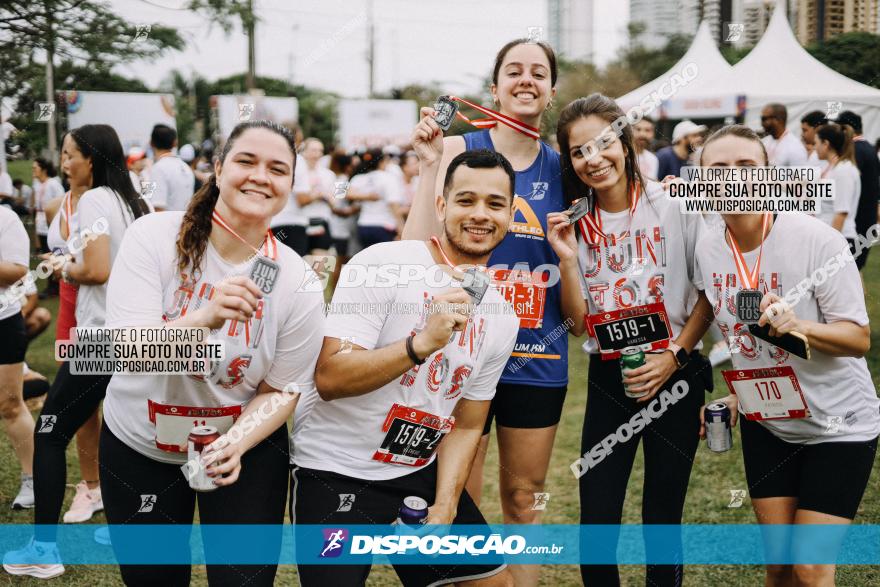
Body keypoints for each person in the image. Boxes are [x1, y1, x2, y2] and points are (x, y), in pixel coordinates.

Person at [74, 120, 323, 586]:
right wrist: (204, 316)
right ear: (218, 167)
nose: (260, 177)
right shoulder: (153, 236)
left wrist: (236, 443)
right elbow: (127, 351)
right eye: (246, 161)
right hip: (138, 444)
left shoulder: (297, 279)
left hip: (242, 450)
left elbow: (283, 388)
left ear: (290, 183)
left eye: (277, 169)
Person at [291, 149, 520, 586]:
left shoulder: (502, 316)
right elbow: (330, 377)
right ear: (441, 206)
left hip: (416, 472)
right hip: (336, 469)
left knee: (493, 583)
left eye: (494, 204)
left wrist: (448, 502)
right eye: (465, 200)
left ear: (510, 214)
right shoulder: (381, 266)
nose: (480, 214)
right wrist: (419, 345)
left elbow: (469, 423)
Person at [404, 38, 572, 586]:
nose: (527, 80)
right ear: (493, 88)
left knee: (524, 498)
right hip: (461, 355)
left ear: (551, 90)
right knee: (459, 499)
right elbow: (413, 250)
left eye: (539, 72)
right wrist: (430, 165)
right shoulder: (456, 149)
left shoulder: (565, 167)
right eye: (514, 71)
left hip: (537, 358)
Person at [695, 124, 878, 587]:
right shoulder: (709, 245)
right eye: (717, 168)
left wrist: (800, 325)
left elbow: (858, 339)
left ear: (768, 174)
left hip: (839, 423)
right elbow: (737, 331)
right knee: (778, 567)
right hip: (771, 424)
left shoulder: (818, 240)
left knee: (811, 569)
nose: (731, 178)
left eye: (745, 167)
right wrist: (742, 393)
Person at [550, 94, 713, 587]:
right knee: (597, 516)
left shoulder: (676, 204)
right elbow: (578, 323)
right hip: (610, 376)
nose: (593, 159)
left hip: (675, 372)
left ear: (624, 141)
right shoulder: (573, 221)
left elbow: (709, 294)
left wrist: (675, 354)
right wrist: (566, 259)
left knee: (663, 515)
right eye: (579, 152)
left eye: (602, 144)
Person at [3, 124, 152, 580]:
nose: (63, 164)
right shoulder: (131, 203)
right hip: (134, 338)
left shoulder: (93, 200)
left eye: (69, 155)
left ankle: (43, 549)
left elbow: (98, 269)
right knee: (122, 437)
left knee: (49, 434)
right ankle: (126, 530)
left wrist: (63, 264)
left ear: (90, 157)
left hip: (101, 340)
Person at [0, 205, 36, 511]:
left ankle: (32, 478)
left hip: (3, 322)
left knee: (10, 404)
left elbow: (18, 271)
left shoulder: (6, 219)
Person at [836, 110, 880, 270]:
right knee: (854, 270)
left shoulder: (855, 151)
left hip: (857, 222)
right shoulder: (869, 149)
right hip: (868, 220)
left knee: (847, 271)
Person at [814, 123, 860, 245]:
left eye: (816, 143)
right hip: (828, 235)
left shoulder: (843, 170)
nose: (814, 148)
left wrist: (831, 245)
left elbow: (841, 213)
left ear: (825, 144)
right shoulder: (831, 168)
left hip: (841, 238)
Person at [350, 148, 406, 248]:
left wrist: (364, 196)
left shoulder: (359, 177)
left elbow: (340, 194)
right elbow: (394, 206)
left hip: (363, 226)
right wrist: (402, 230)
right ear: (382, 161)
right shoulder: (390, 178)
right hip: (384, 227)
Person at [294, 138, 337, 258]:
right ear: (304, 152)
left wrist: (322, 196)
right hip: (301, 222)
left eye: (320, 151)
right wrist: (318, 195)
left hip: (321, 221)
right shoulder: (297, 173)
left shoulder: (329, 175)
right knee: (300, 265)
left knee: (321, 268)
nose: (317, 154)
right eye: (313, 150)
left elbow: (335, 202)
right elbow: (300, 199)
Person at [148, 124, 195, 212]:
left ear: (151, 143)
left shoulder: (158, 168)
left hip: (166, 224)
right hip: (185, 222)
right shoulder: (185, 167)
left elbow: (156, 207)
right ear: (174, 143)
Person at [32, 158, 65, 255]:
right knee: (44, 248)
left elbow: (61, 201)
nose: (33, 170)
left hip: (52, 221)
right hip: (40, 221)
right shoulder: (37, 184)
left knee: (53, 248)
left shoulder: (53, 184)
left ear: (44, 170)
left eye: (35, 168)